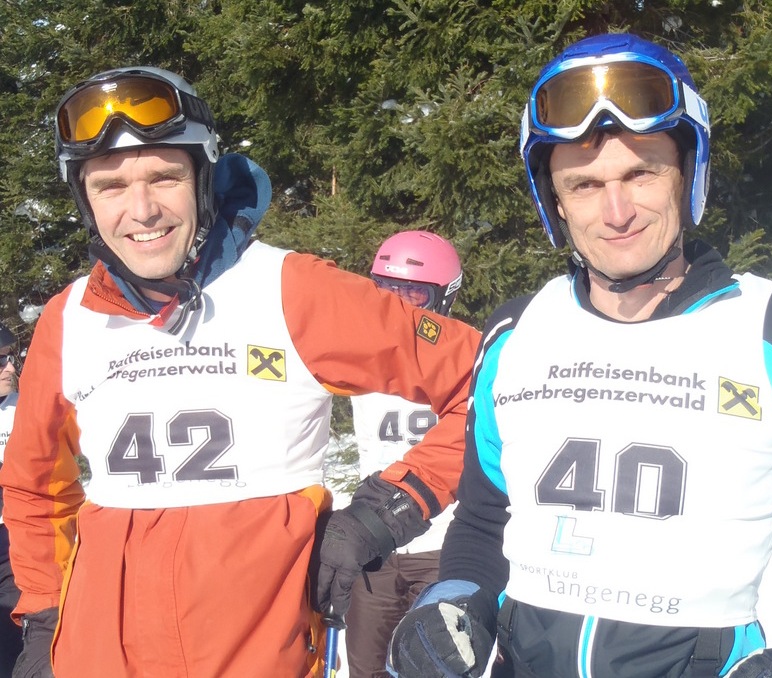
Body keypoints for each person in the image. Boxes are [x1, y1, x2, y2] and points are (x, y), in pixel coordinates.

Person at [386, 33, 772, 678]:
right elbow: (485, 519)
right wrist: (455, 602)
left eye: (641, 173)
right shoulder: (516, 334)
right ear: (555, 203)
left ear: (687, 176)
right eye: (583, 185)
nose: (617, 212)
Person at [0, 66, 479, 677]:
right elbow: (34, 487)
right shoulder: (68, 318)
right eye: (110, 186)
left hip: (258, 655)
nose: (141, 210)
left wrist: (386, 511)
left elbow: (489, 382)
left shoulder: (290, 289)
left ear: (202, 178)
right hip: (98, 658)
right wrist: (45, 619)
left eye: (165, 177)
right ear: (85, 201)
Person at [346, 230, 464, 677]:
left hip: (441, 547)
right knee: (365, 668)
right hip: (375, 545)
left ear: (444, 296)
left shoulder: (466, 357)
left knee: (432, 667)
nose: (396, 306)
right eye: (385, 289)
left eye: (412, 294)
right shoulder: (355, 354)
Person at [0, 323, 22, 676]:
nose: (10, 367)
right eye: (1, 360)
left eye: (10, 358)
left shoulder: (23, 408)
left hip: (12, 542)